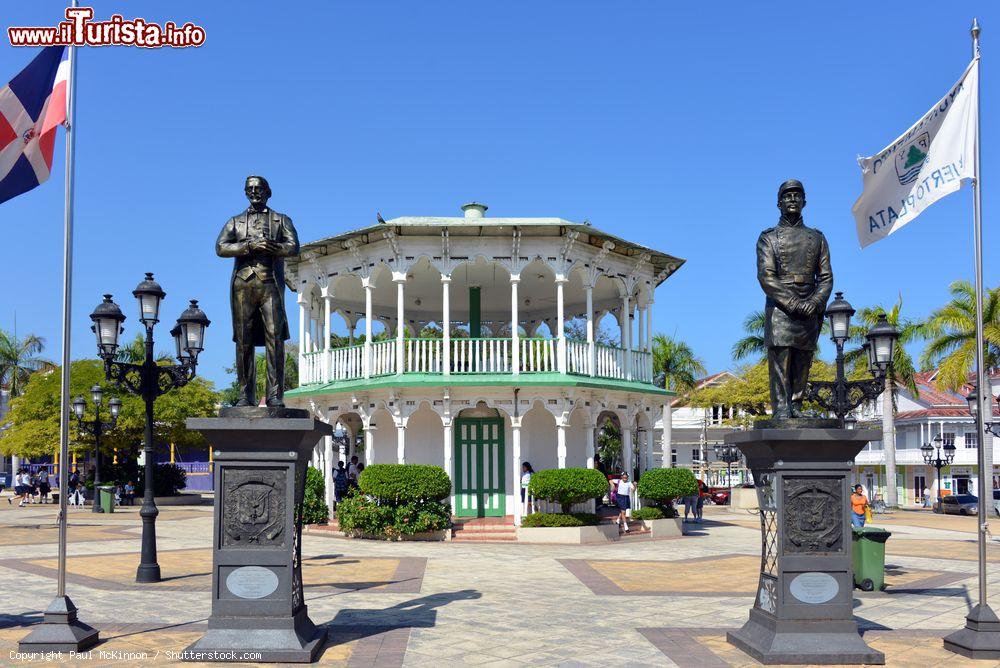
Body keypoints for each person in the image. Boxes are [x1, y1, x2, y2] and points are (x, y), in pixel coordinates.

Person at [216, 175, 300, 408]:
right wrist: (249, 246)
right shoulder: (235, 221)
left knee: (275, 338)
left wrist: (273, 247)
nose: (254, 192)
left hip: (269, 282)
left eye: (258, 188)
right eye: (250, 189)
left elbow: (293, 247)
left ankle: (274, 395)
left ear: (267, 192)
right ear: (245, 192)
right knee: (244, 340)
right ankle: (245, 395)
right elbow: (221, 247)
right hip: (243, 284)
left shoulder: (281, 220)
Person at [756, 179, 833, 419]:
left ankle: (796, 406)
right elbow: (766, 276)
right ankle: (781, 409)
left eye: (797, 196)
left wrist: (815, 302)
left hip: (810, 306)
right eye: (787, 196)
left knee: (802, 360)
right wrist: (793, 303)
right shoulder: (768, 237)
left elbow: (826, 277)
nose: (792, 200)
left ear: (804, 202)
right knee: (781, 359)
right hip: (781, 306)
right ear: (778, 203)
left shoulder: (817, 238)